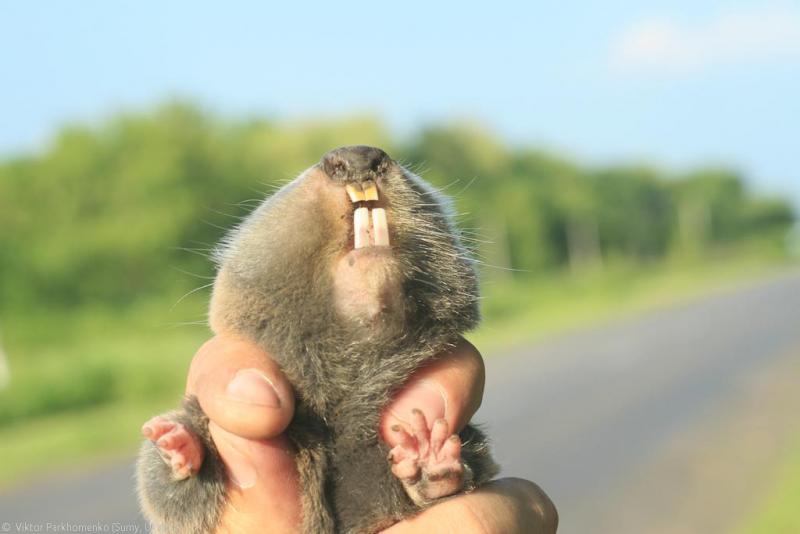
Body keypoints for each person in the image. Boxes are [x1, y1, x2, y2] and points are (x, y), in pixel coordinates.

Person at [163, 334, 558, 533]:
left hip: (395, 495)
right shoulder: (244, 385)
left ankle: (431, 481)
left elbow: (469, 455)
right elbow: (175, 510)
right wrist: (189, 451)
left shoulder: (410, 372)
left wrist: (445, 476)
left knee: (436, 453)